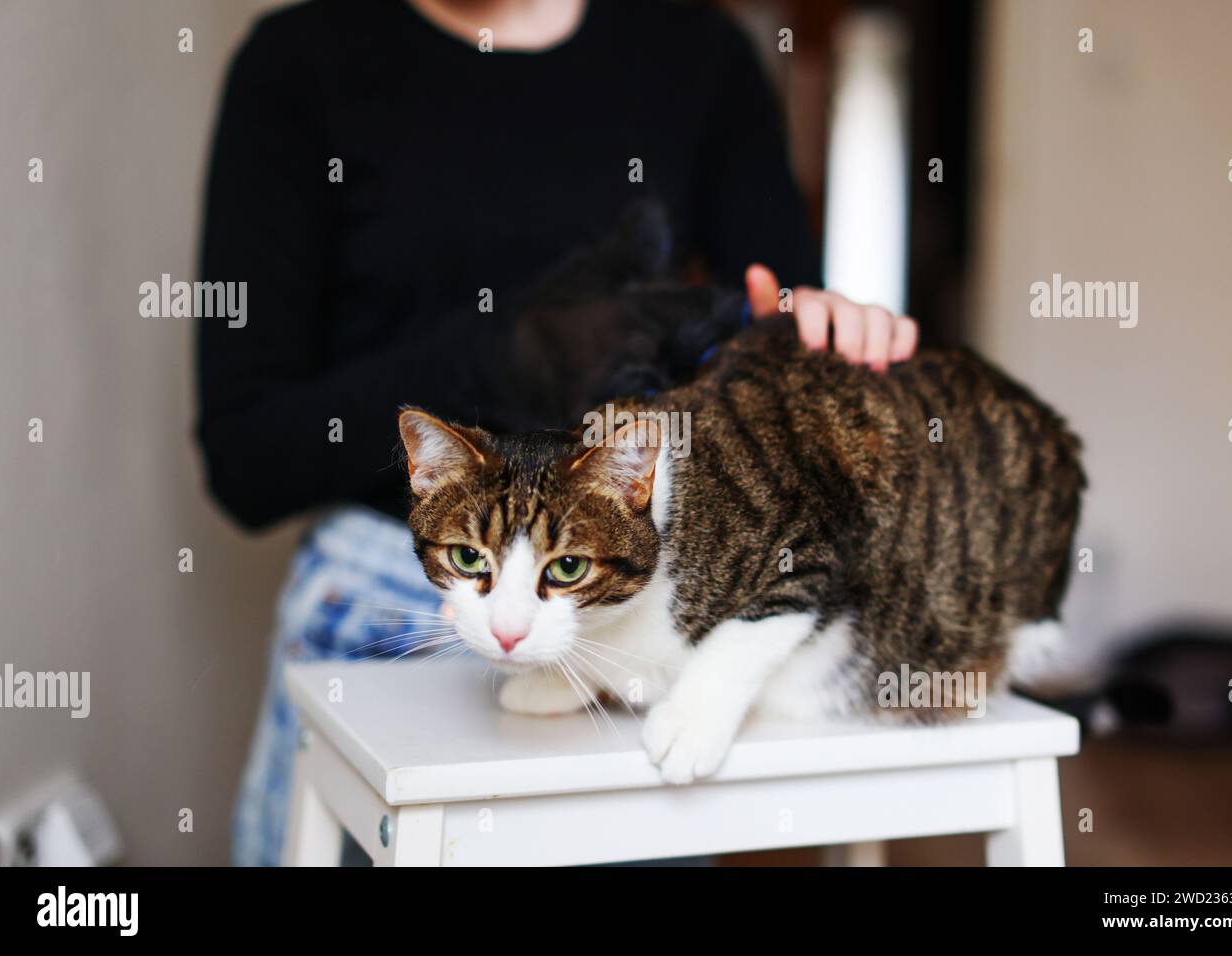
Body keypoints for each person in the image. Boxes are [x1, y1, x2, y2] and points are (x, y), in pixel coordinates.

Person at [198, 0, 918, 865]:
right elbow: (244, 456)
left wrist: (819, 340)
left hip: (633, 602)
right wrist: (507, 354)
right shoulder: (300, 61)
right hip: (392, 597)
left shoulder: (699, 54)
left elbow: (776, 314)